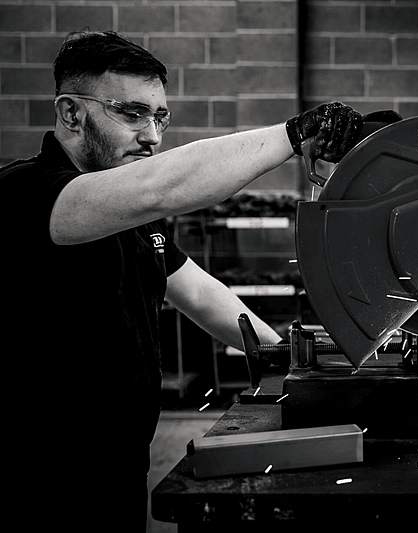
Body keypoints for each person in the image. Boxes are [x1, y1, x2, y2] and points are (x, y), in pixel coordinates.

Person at [0, 30, 363, 531]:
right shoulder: (24, 193)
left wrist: (283, 357)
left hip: (118, 465)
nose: (152, 135)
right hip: (36, 475)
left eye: (159, 117)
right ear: (71, 114)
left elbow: (197, 291)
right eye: (132, 113)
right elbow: (159, 188)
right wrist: (292, 135)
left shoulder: (133, 219)